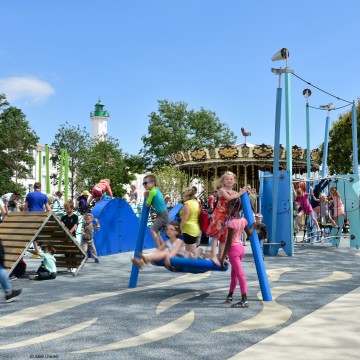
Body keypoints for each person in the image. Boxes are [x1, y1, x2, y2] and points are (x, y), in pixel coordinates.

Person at [220, 198, 255, 308]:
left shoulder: (231, 223)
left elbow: (228, 242)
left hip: (233, 250)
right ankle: (230, 296)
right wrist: (254, 225)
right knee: (234, 274)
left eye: (230, 207)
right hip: (240, 249)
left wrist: (222, 257)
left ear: (236, 208)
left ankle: (244, 300)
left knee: (240, 275)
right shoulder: (243, 220)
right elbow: (249, 232)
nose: (229, 209)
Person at [206, 172, 245, 266]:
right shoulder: (222, 190)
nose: (229, 181)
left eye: (231, 179)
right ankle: (212, 255)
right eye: (227, 179)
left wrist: (244, 193)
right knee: (216, 235)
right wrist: (240, 193)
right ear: (223, 181)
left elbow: (237, 201)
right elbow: (229, 198)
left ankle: (221, 256)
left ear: (234, 181)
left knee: (224, 238)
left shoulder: (235, 192)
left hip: (228, 216)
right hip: (219, 214)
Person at [143, 174, 168, 245]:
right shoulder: (156, 191)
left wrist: (146, 196)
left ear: (153, 183)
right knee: (158, 233)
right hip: (163, 214)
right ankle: (163, 248)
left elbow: (147, 204)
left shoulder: (152, 192)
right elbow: (155, 203)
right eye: (143, 183)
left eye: (145, 183)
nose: (144, 185)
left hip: (162, 214)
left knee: (153, 231)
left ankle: (159, 249)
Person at [179, 187, 203, 258]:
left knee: (191, 250)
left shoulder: (187, 204)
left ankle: (202, 262)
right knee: (188, 250)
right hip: (195, 227)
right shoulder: (196, 203)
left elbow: (184, 218)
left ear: (186, 195)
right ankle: (189, 265)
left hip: (188, 229)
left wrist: (179, 229)